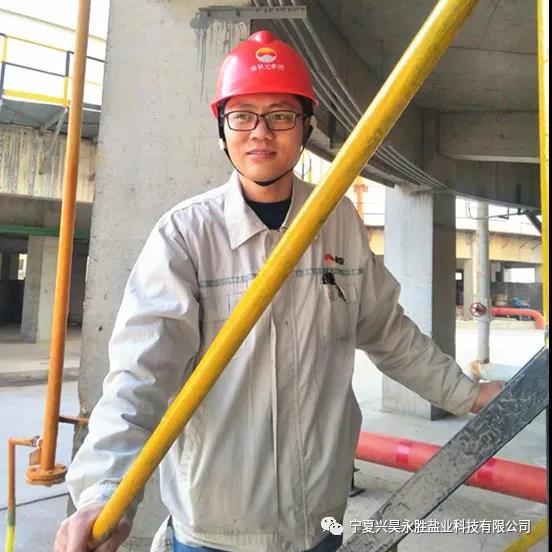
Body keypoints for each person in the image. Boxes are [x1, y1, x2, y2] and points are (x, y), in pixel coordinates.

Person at [55, 30, 503, 552]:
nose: (260, 133)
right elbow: (140, 376)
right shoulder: (186, 236)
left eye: (281, 115)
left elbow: (389, 333)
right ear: (221, 127)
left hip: (320, 523)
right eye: (242, 116)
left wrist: (468, 394)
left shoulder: (337, 222)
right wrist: (104, 494)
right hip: (215, 533)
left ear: (306, 126)